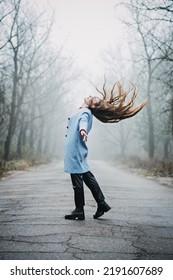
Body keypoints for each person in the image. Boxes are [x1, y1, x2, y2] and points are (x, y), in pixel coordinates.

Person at [64, 81, 147, 220]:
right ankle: (101, 203)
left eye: (92, 98)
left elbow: (82, 122)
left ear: (92, 105)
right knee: (87, 177)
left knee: (77, 179)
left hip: (75, 150)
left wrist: (83, 130)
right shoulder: (84, 111)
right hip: (77, 149)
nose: (90, 96)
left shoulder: (85, 112)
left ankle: (79, 210)